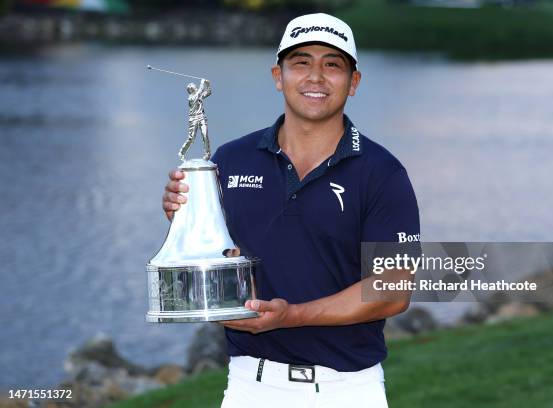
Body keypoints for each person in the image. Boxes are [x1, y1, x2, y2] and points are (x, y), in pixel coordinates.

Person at [162, 13, 420, 408]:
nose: (315, 76)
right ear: (278, 76)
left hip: (348, 391)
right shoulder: (230, 160)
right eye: (301, 62)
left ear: (353, 83)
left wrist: (291, 315)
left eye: (332, 64)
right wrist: (185, 222)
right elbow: (217, 255)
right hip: (249, 385)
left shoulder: (382, 172)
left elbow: (394, 289)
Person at [179, 78, 212, 161]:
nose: (195, 87)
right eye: (194, 87)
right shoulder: (191, 98)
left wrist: (207, 84)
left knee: (205, 134)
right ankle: (182, 153)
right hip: (193, 118)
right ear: (191, 90)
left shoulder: (199, 95)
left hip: (201, 116)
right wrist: (202, 83)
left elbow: (208, 92)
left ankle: (207, 153)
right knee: (191, 138)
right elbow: (200, 92)